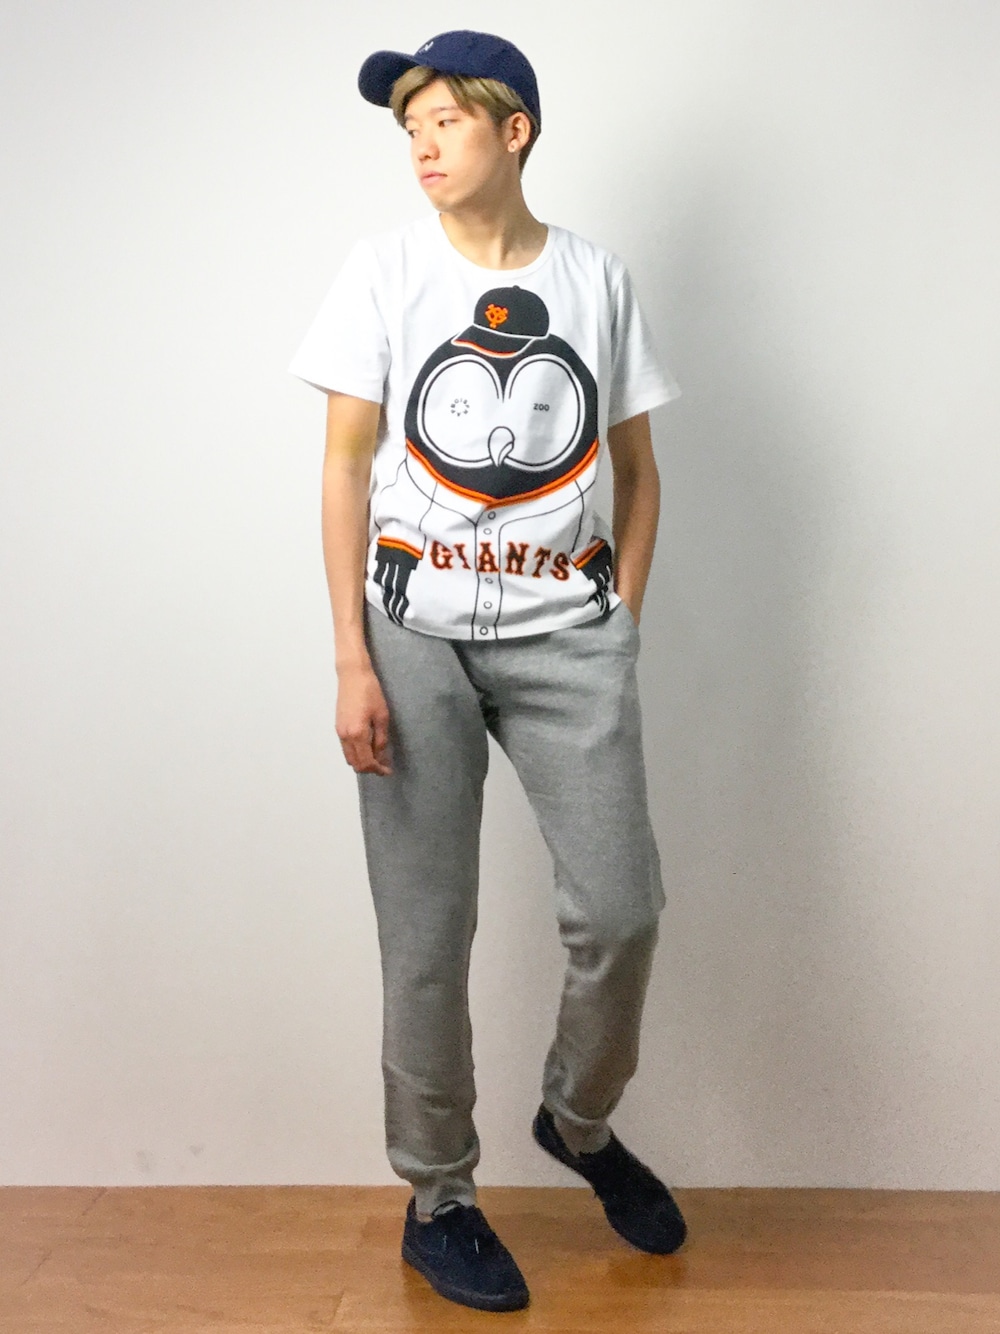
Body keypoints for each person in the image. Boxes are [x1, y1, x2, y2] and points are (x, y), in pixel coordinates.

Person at [289, 29, 687, 1314]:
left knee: (621, 910)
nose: (420, 145)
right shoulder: (383, 271)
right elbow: (345, 466)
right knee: (425, 931)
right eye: (408, 128)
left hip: (568, 631)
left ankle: (576, 1117)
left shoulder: (594, 278)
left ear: (514, 130)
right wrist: (351, 656)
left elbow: (638, 471)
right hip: (412, 631)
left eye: (445, 121)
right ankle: (439, 1197)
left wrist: (618, 619)